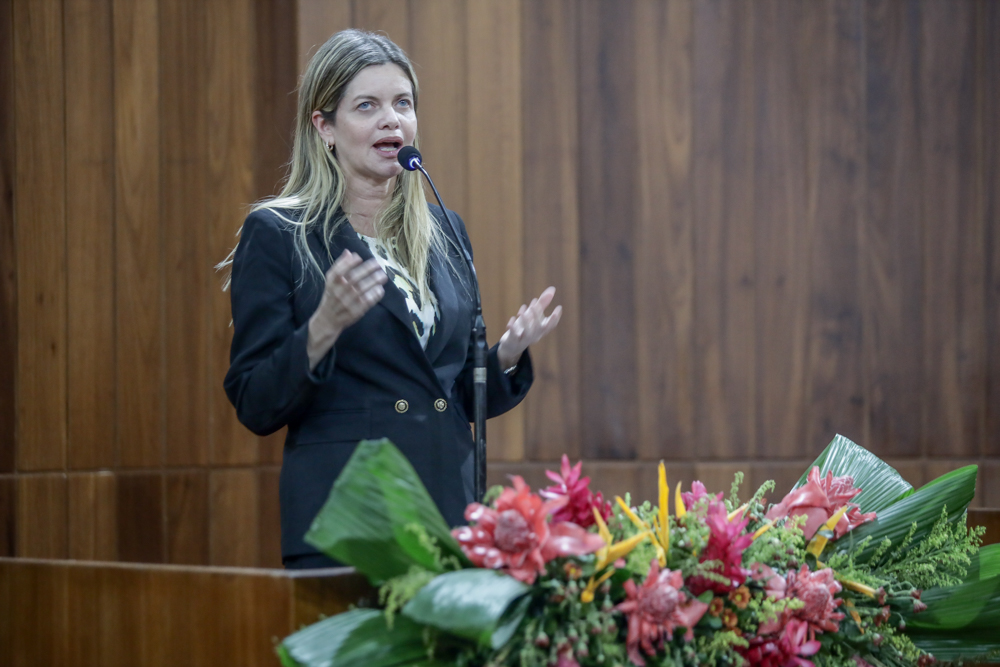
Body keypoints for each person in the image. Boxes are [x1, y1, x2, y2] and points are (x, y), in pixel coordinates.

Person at [220, 29, 561, 569]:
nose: (391, 119)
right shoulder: (279, 234)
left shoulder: (445, 231)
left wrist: (506, 356)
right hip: (350, 519)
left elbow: (449, 394)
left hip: (448, 514)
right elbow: (255, 402)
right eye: (367, 106)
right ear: (325, 127)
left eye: (403, 103)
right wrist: (322, 329)